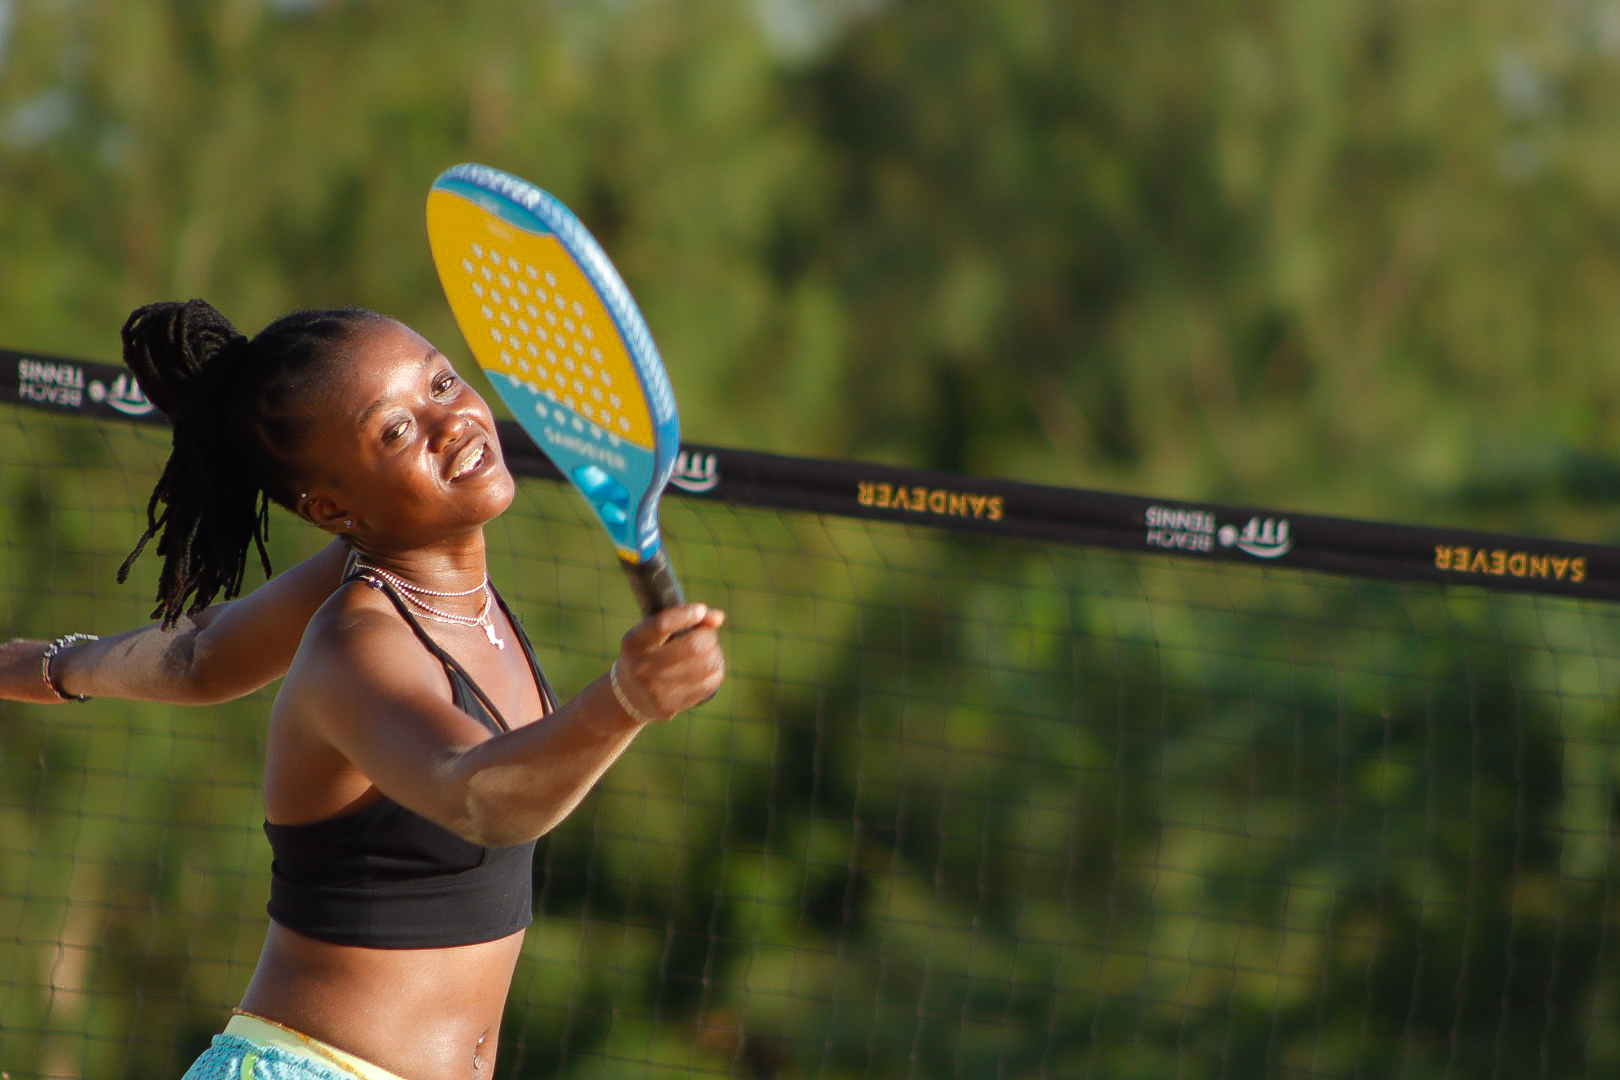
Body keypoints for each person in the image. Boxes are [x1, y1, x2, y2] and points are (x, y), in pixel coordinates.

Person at [0, 299, 726, 1080]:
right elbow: (478, 797)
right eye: (396, 430)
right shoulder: (357, 642)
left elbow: (205, 654)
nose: (450, 422)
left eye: (442, 384)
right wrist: (624, 701)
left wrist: (51, 666)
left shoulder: (434, 583)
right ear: (332, 509)